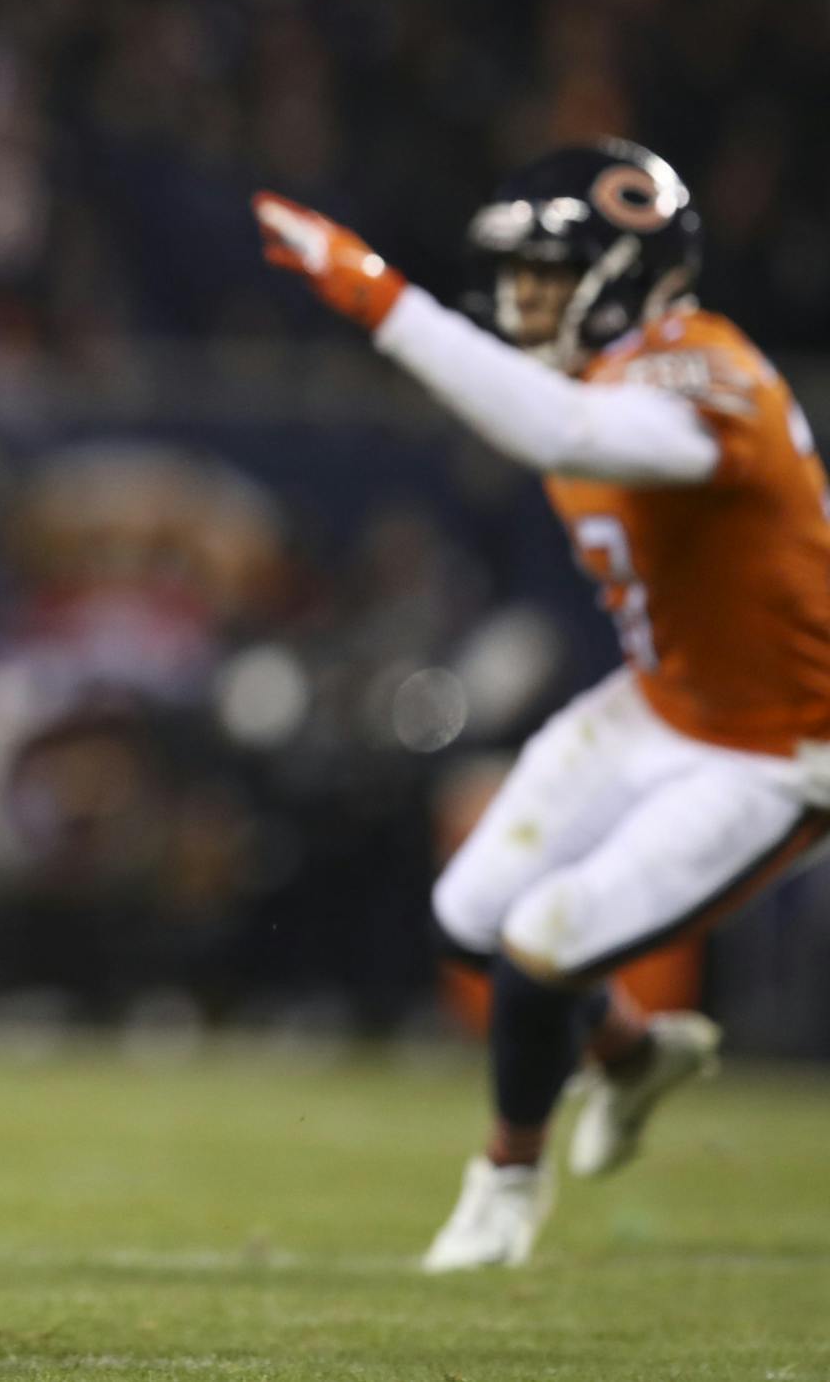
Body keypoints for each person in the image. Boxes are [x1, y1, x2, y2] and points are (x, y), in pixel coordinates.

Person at [253, 142, 830, 1271]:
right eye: (518, 273)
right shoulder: (602, 375)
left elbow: (563, 432)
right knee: (469, 916)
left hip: (777, 743)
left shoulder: (704, 376)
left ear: (628, 274)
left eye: (550, 274)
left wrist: (378, 296)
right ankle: (632, 1055)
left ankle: (506, 1183)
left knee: (541, 944)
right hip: (664, 700)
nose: (525, 298)